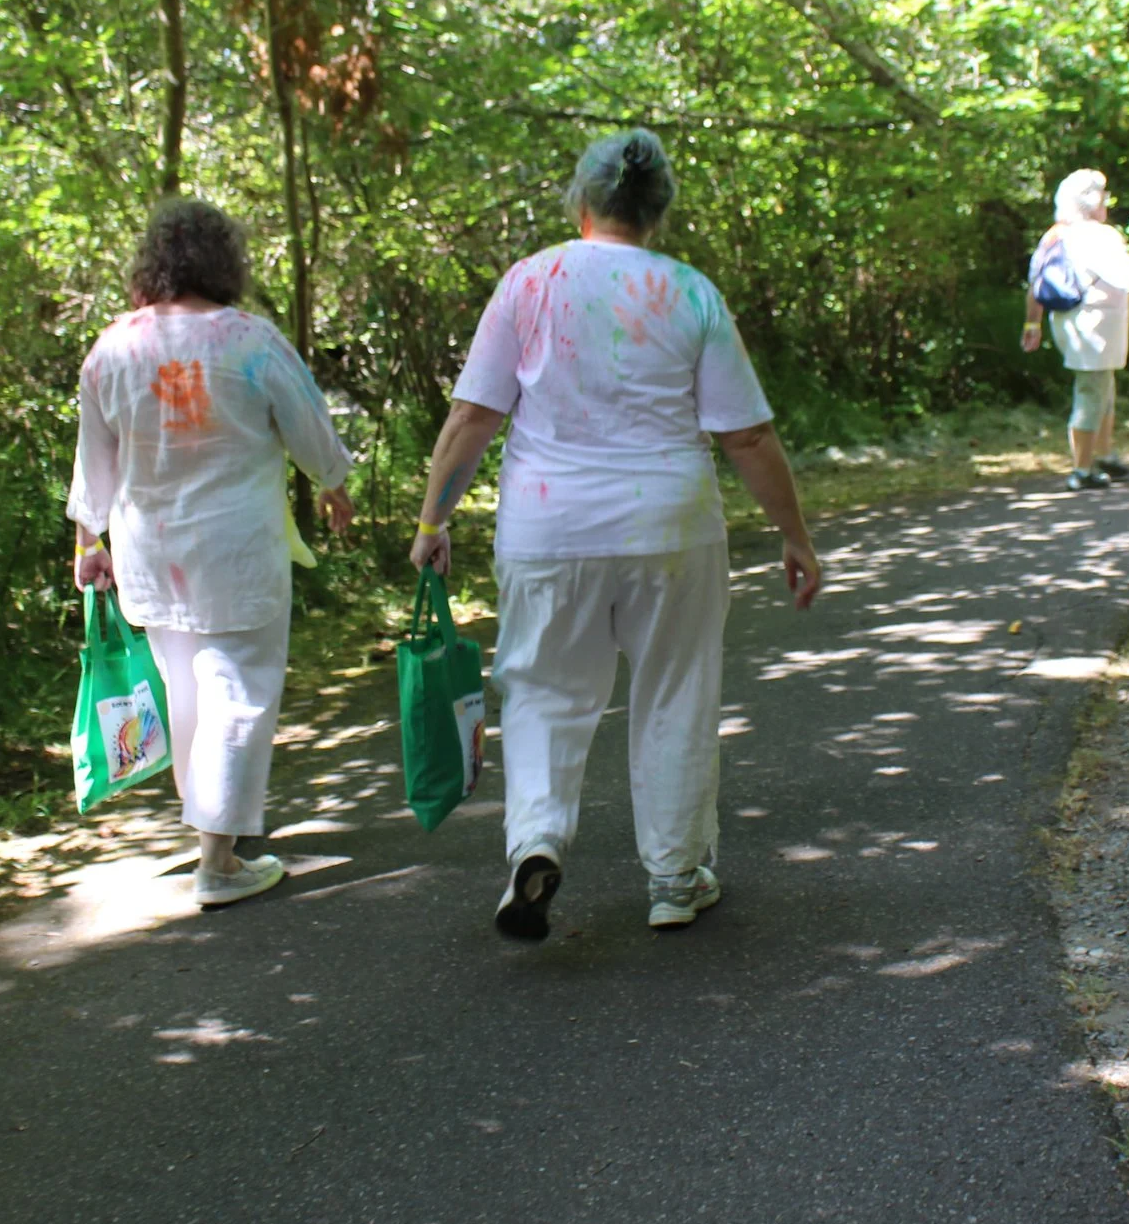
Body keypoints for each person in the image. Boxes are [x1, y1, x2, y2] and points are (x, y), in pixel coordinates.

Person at [409, 129, 821, 940]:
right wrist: (795, 535)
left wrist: (433, 521)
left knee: (542, 694)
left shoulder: (529, 283)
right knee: (675, 690)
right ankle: (674, 877)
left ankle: (535, 842)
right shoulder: (690, 292)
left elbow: (472, 417)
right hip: (670, 527)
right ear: (658, 208)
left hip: (546, 529)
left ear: (581, 200)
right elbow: (748, 437)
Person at [69, 197, 355, 908]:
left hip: (150, 552)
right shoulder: (249, 341)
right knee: (240, 691)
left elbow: (92, 461)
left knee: (187, 691)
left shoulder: (113, 349)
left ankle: (213, 827)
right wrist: (333, 479)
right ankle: (218, 859)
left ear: (153, 265)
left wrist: (87, 539)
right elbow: (309, 424)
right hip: (239, 549)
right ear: (224, 263)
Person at [1020, 169, 1129, 491]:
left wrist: (1032, 322)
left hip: (1068, 322)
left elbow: (1035, 283)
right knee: (1091, 392)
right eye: (1103, 195)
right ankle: (1082, 469)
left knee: (1103, 389)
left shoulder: (1055, 234)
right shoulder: (1099, 236)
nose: (1107, 201)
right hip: (1094, 327)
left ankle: (1104, 455)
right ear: (1093, 201)